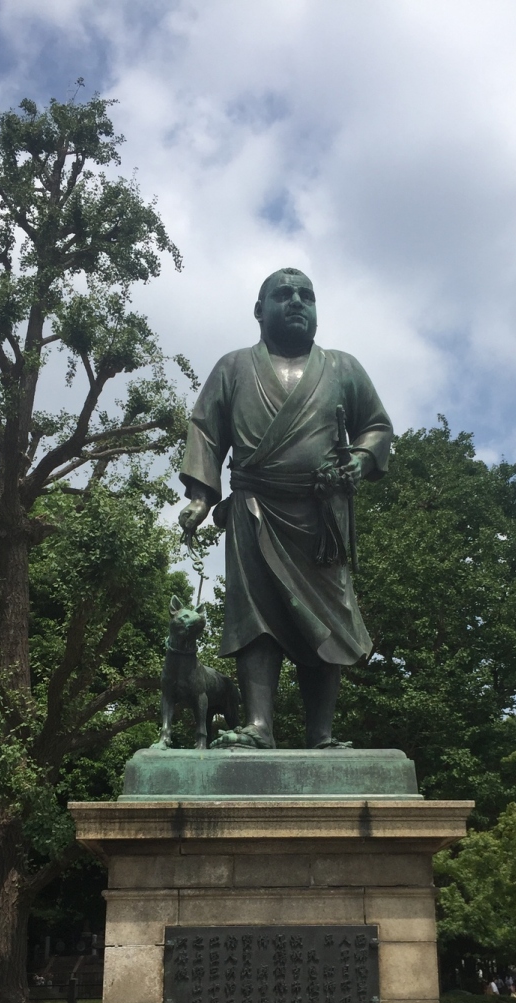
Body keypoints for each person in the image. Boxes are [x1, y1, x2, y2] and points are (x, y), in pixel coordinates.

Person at [177, 268, 393, 750]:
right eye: (283, 294)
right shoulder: (233, 367)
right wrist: (200, 496)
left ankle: (321, 734)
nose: (296, 301)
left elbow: (376, 428)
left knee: (329, 620)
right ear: (259, 310)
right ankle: (259, 726)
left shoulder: (343, 368)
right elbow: (206, 432)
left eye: (306, 295)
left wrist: (359, 459)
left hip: (321, 518)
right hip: (253, 509)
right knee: (255, 616)